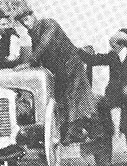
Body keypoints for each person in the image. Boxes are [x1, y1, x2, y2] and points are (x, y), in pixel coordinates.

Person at [14, 8, 95, 143]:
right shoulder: (33, 33)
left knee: (73, 99)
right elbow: (39, 55)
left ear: (33, 16)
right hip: (58, 71)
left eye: (27, 20)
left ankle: (79, 132)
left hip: (71, 66)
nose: (26, 24)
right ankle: (64, 133)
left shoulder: (49, 24)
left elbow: (44, 44)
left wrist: (30, 62)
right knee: (57, 100)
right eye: (23, 23)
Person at [78, 28, 127, 146]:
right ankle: (108, 131)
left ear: (121, 44)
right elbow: (93, 60)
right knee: (101, 107)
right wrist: (77, 51)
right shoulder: (112, 55)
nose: (111, 47)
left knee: (125, 125)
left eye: (113, 44)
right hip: (114, 94)